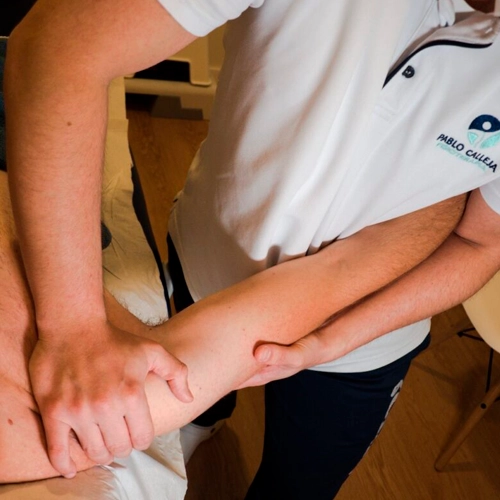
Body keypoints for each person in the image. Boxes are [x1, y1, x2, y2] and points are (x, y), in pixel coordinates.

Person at [4, 0, 500, 497]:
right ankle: (204, 422)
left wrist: (334, 340)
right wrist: (73, 324)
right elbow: (61, 46)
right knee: (179, 407)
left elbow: (479, 241)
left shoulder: (420, 226)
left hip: (367, 334)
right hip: (210, 254)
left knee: (298, 483)